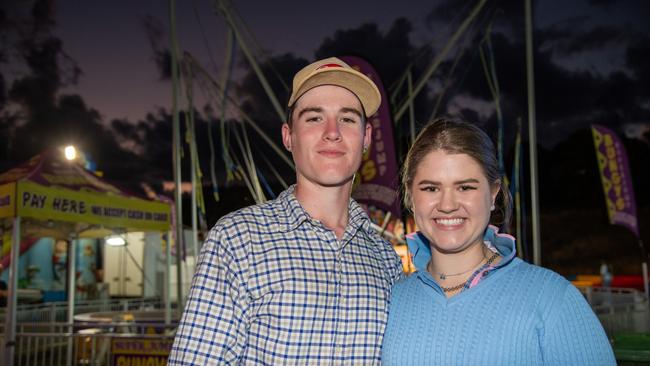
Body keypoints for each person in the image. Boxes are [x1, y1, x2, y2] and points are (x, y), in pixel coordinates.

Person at [169, 57, 403, 364]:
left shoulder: (385, 258)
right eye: (314, 118)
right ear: (288, 137)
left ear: (366, 139)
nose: (332, 132)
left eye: (347, 119)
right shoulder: (238, 240)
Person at [382, 118, 615, 365]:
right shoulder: (391, 301)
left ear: (493, 194)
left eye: (465, 188)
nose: (447, 205)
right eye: (430, 188)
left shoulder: (552, 299)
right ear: (410, 196)